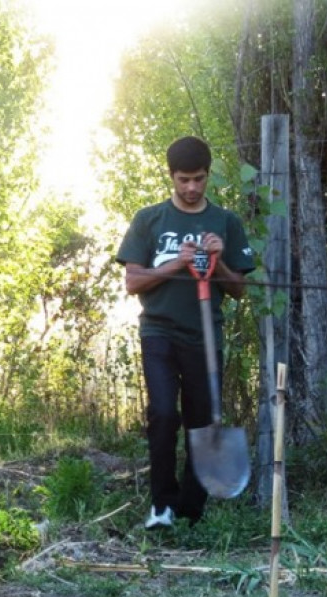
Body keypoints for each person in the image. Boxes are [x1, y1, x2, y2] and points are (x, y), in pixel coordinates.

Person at [115, 136, 255, 530]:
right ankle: (162, 505)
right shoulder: (150, 219)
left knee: (201, 421)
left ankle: (191, 510)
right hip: (158, 331)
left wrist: (218, 260)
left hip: (205, 333)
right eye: (183, 180)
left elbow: (240, 289)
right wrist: (178, 262)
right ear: (171, 177)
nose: (191, 188)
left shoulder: (225, 222)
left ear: (208, 175)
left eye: (198, 179)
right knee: (162, 414)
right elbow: (133, 282)